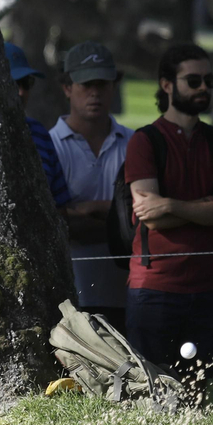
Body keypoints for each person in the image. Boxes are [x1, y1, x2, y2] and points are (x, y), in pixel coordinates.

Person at [122, 44, 213, 370]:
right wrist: (204, 205)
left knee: (200, 390)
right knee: (152, 390)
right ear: (167, 84)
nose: (203, 88)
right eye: (193, 80)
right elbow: (152, 219)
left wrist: (170, 204)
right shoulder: (144, 141)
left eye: (208, 80)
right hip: (155, 288)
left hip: (207, 288)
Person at [49, 42, 132, 326]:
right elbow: (54, 225)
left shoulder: (136, 144)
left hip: (130, 293)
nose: (95, 92)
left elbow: (145, 223)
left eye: (103, 84)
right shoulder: (49, 147)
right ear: (67, 88)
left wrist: (88, 209)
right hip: (70, 297)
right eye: (86, 84)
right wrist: (119, 220)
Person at [5, 42, 72, 211]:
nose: (21, 92)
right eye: (13, 82)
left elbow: (61, 205)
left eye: (26, 83)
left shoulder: (39, 132)